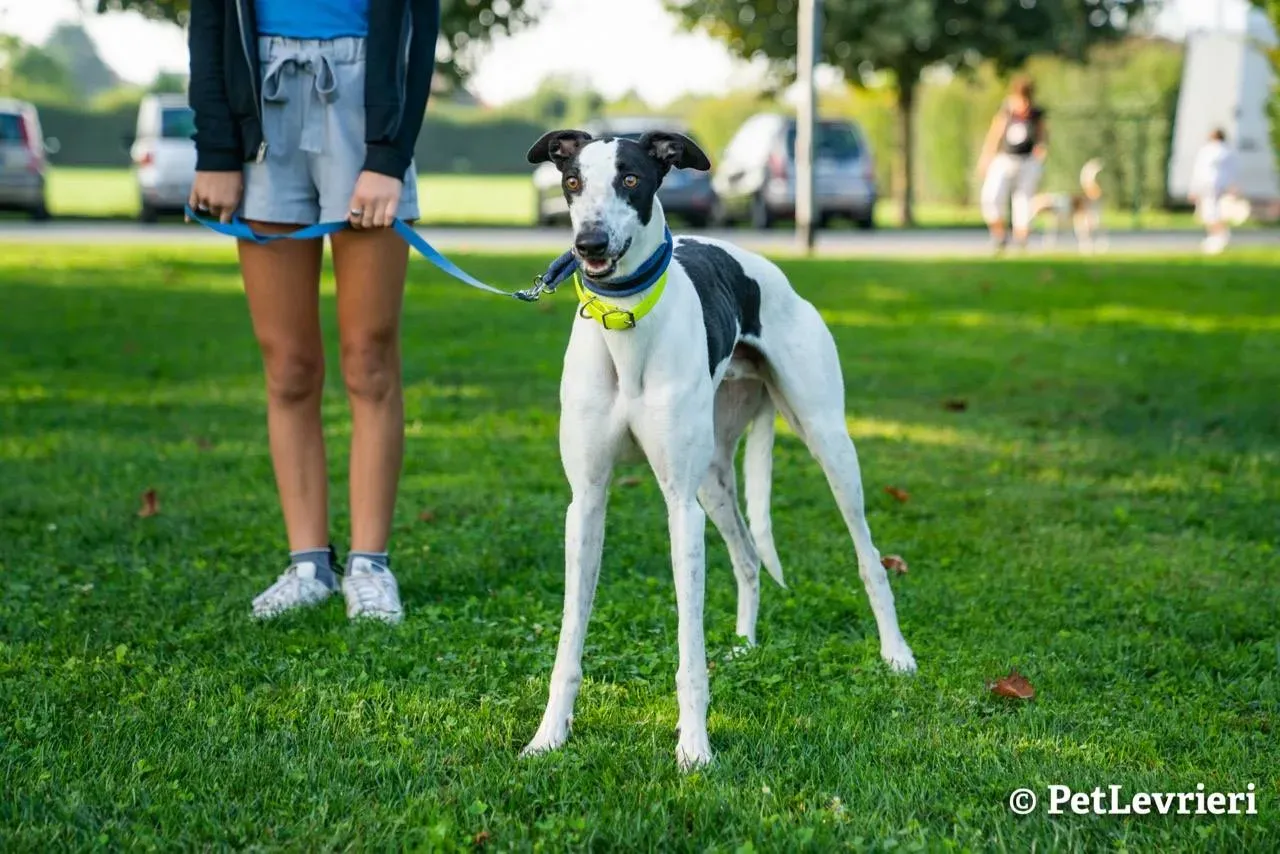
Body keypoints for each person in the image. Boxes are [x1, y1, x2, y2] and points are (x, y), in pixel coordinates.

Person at [186, 0, 440, 623]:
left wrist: (388, 155)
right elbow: (211, 26)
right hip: (263, 103)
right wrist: (217, 149)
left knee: (369, 360)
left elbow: (418, 29)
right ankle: (308, 566)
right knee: (290, 366)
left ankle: (370, 565)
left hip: (364, 102)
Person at [978, 76, 1050, 252]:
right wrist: (986, 157)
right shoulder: (1006, 110)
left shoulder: (1036, 113)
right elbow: (995, 134)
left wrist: (1041, 149)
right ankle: (999, 236)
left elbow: (1043, 136)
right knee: (992, 196)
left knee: (1024, 201)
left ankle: (1021, 240)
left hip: (1027, 161)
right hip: (1005, 159)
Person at [1189, 128, 1239, 255]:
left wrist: (1193, 189)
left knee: (1210, 213)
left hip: (1207, 186)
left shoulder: (1206, 151)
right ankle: (1220, 236)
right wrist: (1232, 185)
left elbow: (1199, 171)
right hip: (1221, 186)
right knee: (1216, 211)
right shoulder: (1227, 151)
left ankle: (1218, 237)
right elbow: (1232, 171)